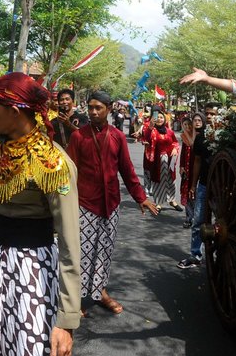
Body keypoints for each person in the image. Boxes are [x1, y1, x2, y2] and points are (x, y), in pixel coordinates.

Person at [0, 72, 80, 356]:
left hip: (33, 274)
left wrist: (66, 318)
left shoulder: (53, 163)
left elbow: (70, 244)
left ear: (14, 112)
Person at [67, 91, 158, 314]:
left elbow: (126, 169)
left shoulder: (117, 136)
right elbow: (68, 173)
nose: (94, 112)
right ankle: (75, 299)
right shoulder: (78, 137)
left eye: (98, 108)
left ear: (108, 108)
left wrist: (141, 197)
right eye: (90, 108)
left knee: (104, 251)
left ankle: (100, 292)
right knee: (83, 252)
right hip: (84, 203)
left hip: (111, 203)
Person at [177, 105, 218, 269]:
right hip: (204, 184)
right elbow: (197, 162)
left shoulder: (227, 136)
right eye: (206, 114)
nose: (209, 116)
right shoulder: (201, 138)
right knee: (198, 221)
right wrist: (193, 185)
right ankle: (195, 255)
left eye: (211, 114)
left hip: (222, 187)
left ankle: (220, 255)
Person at [142, 107, 182, 213]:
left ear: (164, 119)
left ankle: (172, 200)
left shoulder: (169, 132)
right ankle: (158, 202)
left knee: (171, 180)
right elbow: (146, 137)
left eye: (161, 117)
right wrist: (150, 126)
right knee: (158, 181)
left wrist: (175, 149)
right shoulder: (152, 131)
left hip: (170, 160)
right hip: (157, 161)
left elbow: (176, 142)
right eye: (157, 117)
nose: (159, 119)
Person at [179, 112, 206, 228]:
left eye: (199, 120)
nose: (197, 123)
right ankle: (189, 217)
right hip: (189, 169)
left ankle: (199, 217)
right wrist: (181, 166)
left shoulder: (206, 135)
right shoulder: (186, 136)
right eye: (195, 121)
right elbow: (183, 153)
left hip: (203, 169)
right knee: (188, 190)